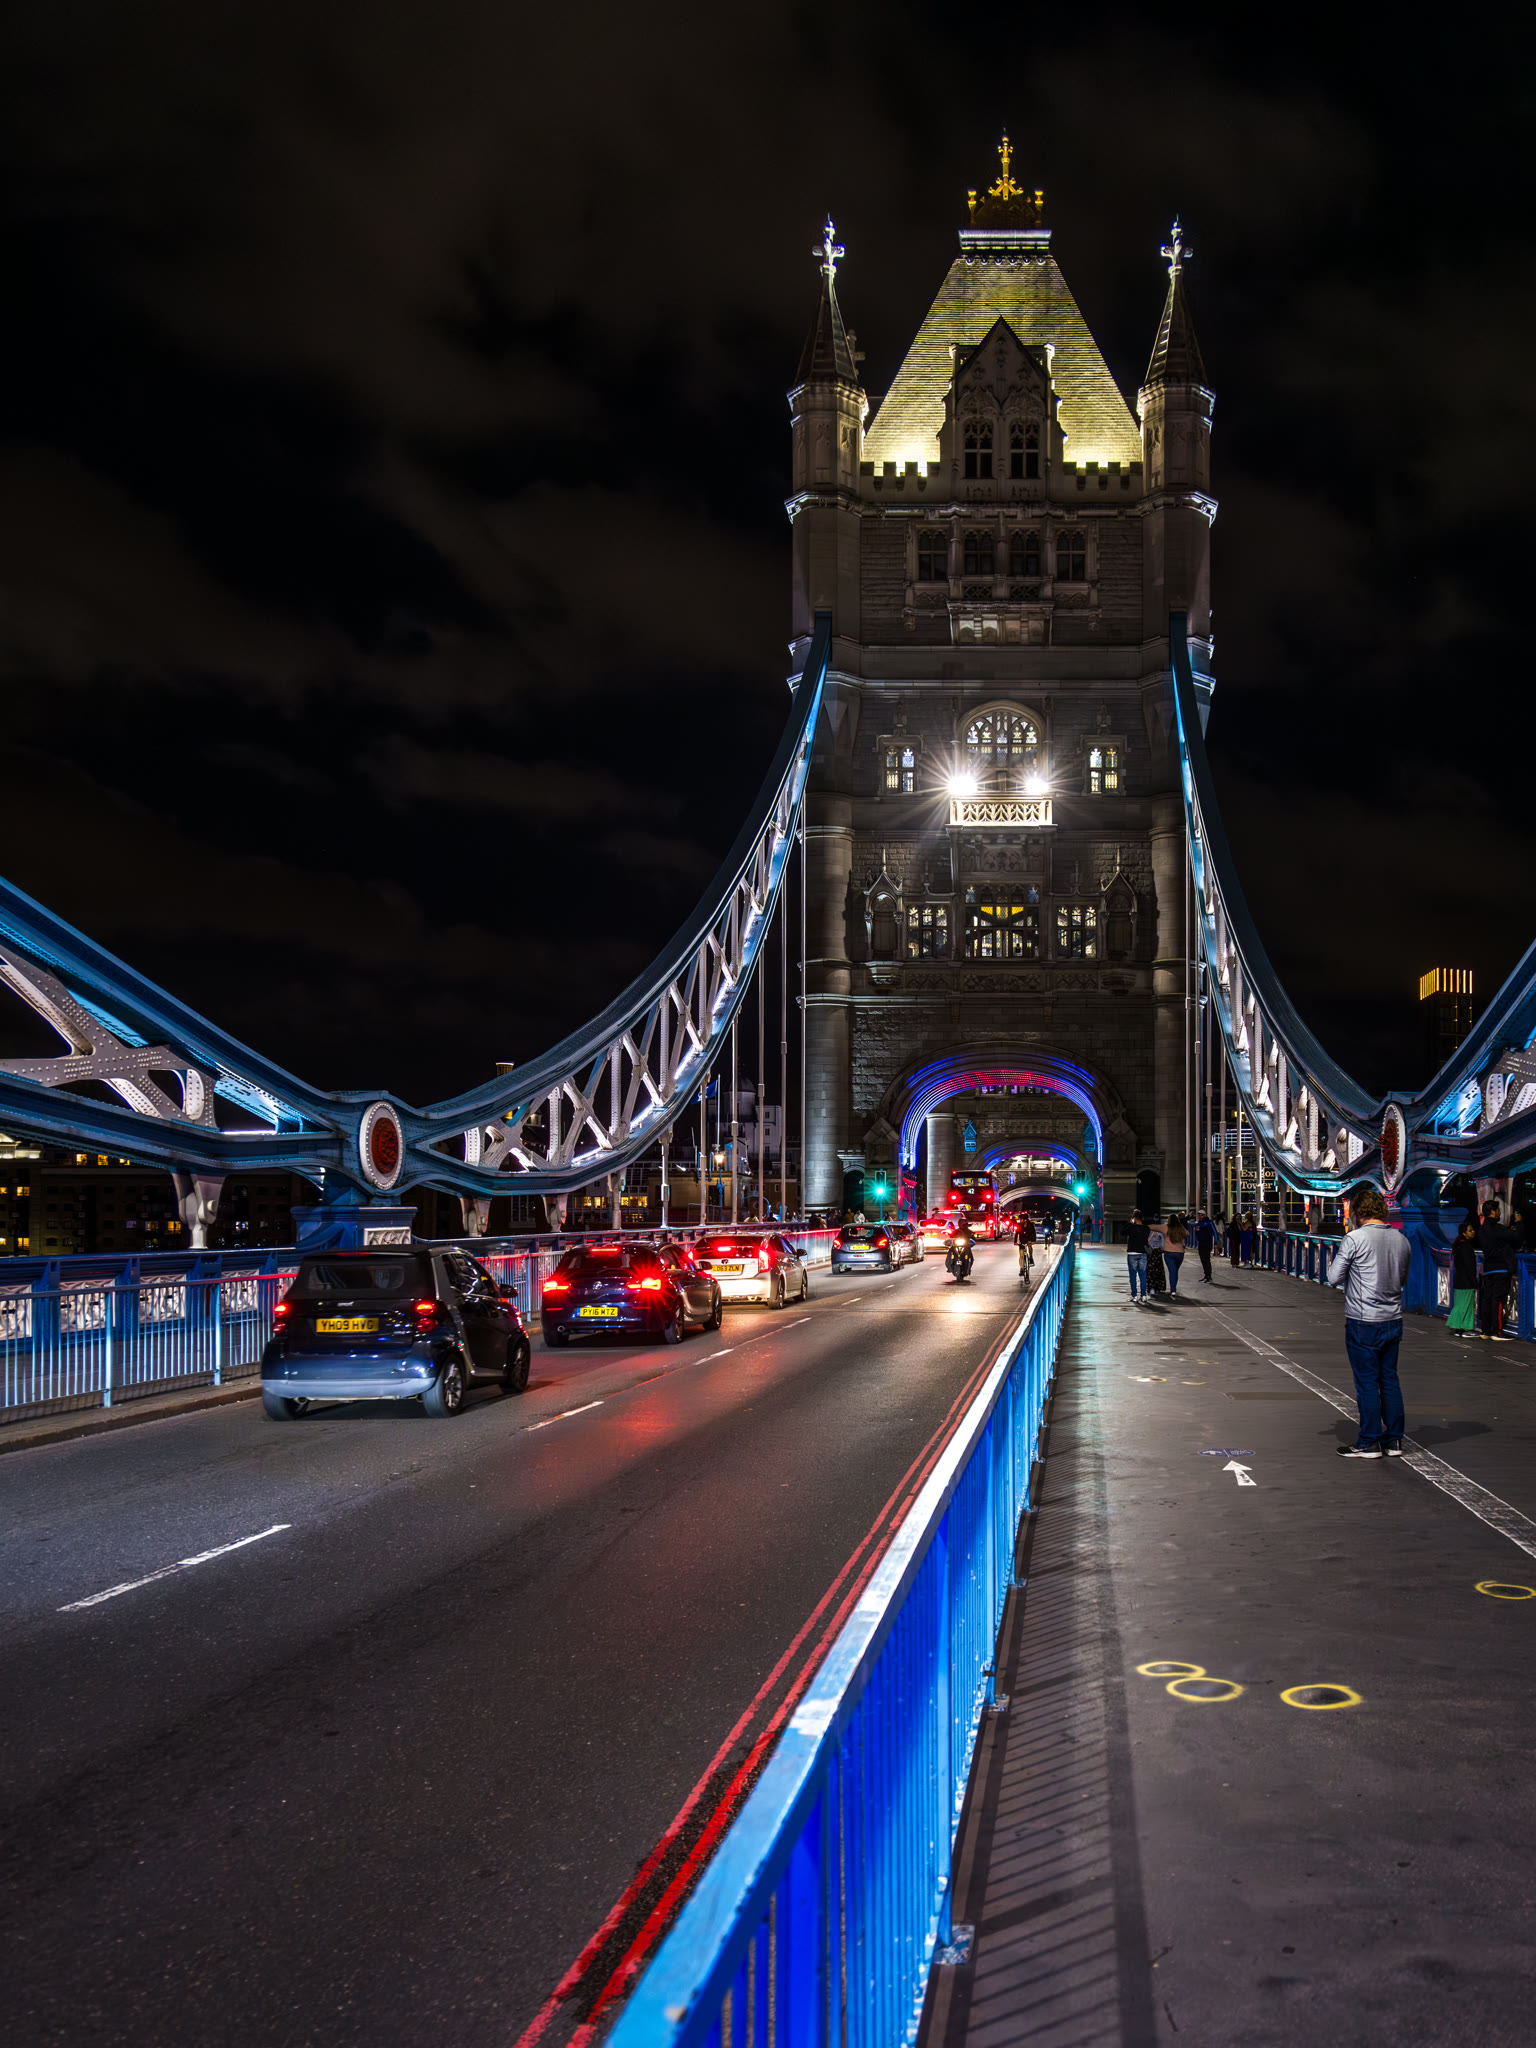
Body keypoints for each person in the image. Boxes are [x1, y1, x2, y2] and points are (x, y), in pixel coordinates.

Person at [1327, 1186, 1414, 1458]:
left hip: (1363, 1320)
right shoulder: (1401, 1240)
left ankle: (1369, 1441)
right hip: (1393, 1319)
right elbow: (1402, 1279)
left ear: (1357, 1213)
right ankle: (1394, 1440)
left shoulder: (1354, 1239)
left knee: (1366, 1382)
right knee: (1389, 1379)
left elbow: (1333, 1277)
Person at [1477, 1199, 1521, 1341]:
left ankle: (1486, 1330)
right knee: (1498, 1299)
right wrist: (1519, 1223)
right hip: (1501, 1267)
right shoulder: (1497, 1228)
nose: (1500, 1213)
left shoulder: (1482, 1229)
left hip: (1489, 1268)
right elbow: (1516, 1237)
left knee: (1487, 1299)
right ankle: (1497, 1331)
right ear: (1492, 1212)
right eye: (1498, 1210)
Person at [1448, 1219, 1479, 1338]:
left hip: (1459, 1280)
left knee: (1460, 1305)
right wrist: (1474, 1282)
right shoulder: (1466, 1246)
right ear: (1464, 1233)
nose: (1473, 1232)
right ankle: (1466, 1329)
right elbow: (1469, 1266)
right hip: (1466, 1281)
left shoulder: (1459, 1245)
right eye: (1470, 1230)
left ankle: (1458, 1329)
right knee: (1467, 1306)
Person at [1126, 1210, 1150, 1303]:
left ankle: (1134, 1295)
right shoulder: (1146, 1228)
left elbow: (1122, 1231)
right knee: (1143, 1275)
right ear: (1142, 1218)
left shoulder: (1131, 1227)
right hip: (1142, 1253)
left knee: (1133, 1276)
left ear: (1134, 1218)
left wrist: (1130, 1222)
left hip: (1132, 1253)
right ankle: (1143, 1295)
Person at [1164, 1213, 1187, 1296]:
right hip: (1180, 1253)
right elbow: (1187, 1234)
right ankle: (1174, 1288)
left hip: (1169, 1252)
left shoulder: (1166, 1227)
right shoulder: (1181, 1228)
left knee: (1172, 1271)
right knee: (1175, 1271)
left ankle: (1173, 1289)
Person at [1195, 1209, 1216, 1284]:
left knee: (1206, 1259)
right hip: (1201, 1243)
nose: (1200, 1216)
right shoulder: (1199, 1223)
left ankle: (1209, 1276)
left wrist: (1216, 1242)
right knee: (1203, 1259)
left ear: (1204, 1215)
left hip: (1207, 1243)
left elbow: (1214, 1232)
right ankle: (1206, 1275)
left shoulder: (1209, 1222)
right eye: (1199, 1215)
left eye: (1201, 1215)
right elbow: (1197, 1232)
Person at [1147, 1218, 1167, 1295]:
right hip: (1157, 1252)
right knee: (1158, 1269)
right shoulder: (1159, 1233)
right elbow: (1162, 1245)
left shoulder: (1147, 1232)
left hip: (1149, 1252)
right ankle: (1158, 1286)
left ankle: (1150, 1287)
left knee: (1149, 1269)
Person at [1017, 1214, 1036, 1287]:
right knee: (1021, 1255)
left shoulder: (1030, 1225)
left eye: (1020, 1219)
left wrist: (1033, 1240)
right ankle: (1021, 1268)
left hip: (1029, 1239)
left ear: (1025, 1219)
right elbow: (1017, 1233)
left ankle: (1031, 1257)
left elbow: (1033, 1233)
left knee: (1030, 1247)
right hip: (1022, 1240)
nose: (1020, 1220)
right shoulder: (1019, 1225)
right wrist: (1015, 1242)